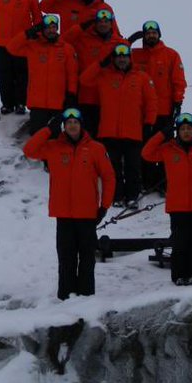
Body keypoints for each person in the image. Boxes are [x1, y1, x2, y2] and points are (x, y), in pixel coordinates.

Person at [22, 108, 115, 298]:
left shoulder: (96, 148)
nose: (72, 126)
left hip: (87, 214)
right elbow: (29, 150)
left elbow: (109, 177)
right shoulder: (53, 147)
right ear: (64, 126)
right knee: (66, 258)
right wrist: (48, 130)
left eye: (76, 122)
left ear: (81, 125)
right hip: (63, 214)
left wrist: (104, 206)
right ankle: (65, 296)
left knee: (87, 258)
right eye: (69, 123)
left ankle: (86, 296)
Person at [141, 113, 192, 286]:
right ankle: (179, 275)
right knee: (180, 243)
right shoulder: (168, 150)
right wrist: (162, 134)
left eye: (189, 128)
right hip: (178, 207)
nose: (186, 132)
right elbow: (147, 153)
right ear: (178, 131)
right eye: (182, 129)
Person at [81, 42, 157, 207]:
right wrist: (100, 63)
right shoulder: (104, 75)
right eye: (118, 57)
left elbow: (151, 103)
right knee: (112, 168)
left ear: (130, 58)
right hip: (108, 132)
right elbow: (84, 79)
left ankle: (132, 197)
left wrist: (148, 123)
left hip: (133, 132)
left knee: (133, 167)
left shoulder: (142, 77)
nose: (122, 60)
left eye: (125, 57)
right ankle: (116, 196)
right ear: (113, 59)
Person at [129, 20, 187, 192]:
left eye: (154, 33)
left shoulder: (171, 55)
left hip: (164, 112)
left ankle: (163, 182)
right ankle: (146, 181)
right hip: (142, 113)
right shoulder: (135, 54)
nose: (151, 36)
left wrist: (177, 103)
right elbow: (117, 53)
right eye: (147, 33)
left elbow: (179, 82)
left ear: (159, 35)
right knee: (144, 147)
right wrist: (130, 40)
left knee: (165, 147)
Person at [5, 15, 78, 136]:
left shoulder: (67, 49)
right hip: (37, 104)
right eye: (48, 28)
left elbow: (72, 75)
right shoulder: (33, 46)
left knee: (56, 140)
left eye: (54, 27)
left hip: (58, 104)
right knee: (37, 138)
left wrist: (71, 94)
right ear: (42, 29)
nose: (51, 30)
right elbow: (11, 47)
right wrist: (28, 33)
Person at [71, 9, 126, 137]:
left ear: (111, 23)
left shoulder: (120, 43)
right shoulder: (83, 39)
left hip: (108, 98)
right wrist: (82, 26)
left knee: (105, 137)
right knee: (86, 137)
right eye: (100, 21)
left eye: (106, 21)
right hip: (86, 97)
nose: (103, 24)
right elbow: (64, 40)